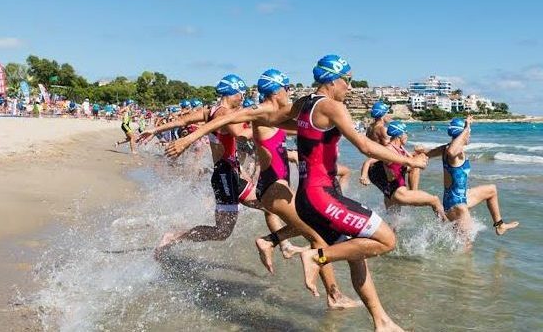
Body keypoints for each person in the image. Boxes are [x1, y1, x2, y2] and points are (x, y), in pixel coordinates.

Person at [165, 69, 360, 309]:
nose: (289, 92)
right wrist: (187, 140)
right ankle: (333, 295)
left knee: (311, 226)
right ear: (277, 90)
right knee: (316, 236)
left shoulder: (276, 116)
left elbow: (297, 128)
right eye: (286, 88)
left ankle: (273, 241)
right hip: (246, 180)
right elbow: (227, 123)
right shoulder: (259, 114)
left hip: (258, 183)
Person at [258, 55, 426, 331]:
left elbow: (274, 120)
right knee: (387, 240)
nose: (349, 86)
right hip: (322, 195)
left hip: (308, 196)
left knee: (355, 254)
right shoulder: (332, 107)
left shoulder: (304, 103)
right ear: (333, 80)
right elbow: (366, 147)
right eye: (347, 80)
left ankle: (381, 321)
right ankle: (316, 256)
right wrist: (411, 162)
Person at [152, 74, 261, 258]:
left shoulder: (210, 110)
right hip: (224, 174)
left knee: (264, 203)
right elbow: (241, 134)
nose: (242, 98)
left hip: (231, 172)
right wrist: (268, 126)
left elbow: (182, 121)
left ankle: (281, 241)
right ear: (232, 92)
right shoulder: (224, 113)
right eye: (241, 94)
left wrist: (154, 129)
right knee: (222, 232)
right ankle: (174, 237)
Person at [419, 117, 519, 248]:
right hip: (457, 206)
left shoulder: (447, 149)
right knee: (467, 247)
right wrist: (467, 128)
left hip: (459, 198)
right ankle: (462, 268)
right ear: (461, 134)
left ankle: (500, 225)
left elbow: (428, 153)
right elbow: (450, 152)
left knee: (491, 190)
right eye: (468, 133)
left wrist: (417, 151)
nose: (469, 135)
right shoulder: (453, 152)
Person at [361, 121, 444, 218]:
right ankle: (446, 229)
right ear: (399, 135)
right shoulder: (389, 149)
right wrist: (364, 176)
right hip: (400, 193)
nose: (407, 136)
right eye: (406, 133)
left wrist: (420, 153)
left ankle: (414, 192)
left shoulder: (400, 148)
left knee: (393, 227)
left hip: (391, 194)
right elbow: (369, 161)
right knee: (435, 200)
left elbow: (412, 161)